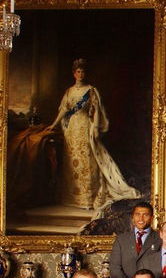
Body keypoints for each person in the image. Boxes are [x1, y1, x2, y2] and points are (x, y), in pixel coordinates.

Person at [48, 58, 140, 212]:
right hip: (71, 130)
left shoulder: (91, 90)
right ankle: (73, 198)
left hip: (85, 127)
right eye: (78, 71)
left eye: (83, 71)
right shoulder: (69, 91)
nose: (81, 74)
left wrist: (96, 127)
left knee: (87, 162)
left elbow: (97, 110)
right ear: (74, 74)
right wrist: (54, 124)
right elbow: (64, 110)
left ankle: (88, 198)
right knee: (71, 162)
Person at [109, 202, 161, 278]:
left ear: (152, 217)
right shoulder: (121, 239)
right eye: (137, 214)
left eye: (145, 215)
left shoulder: (160, 239)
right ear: (133, 217)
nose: (141, 218)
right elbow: (114, 268)